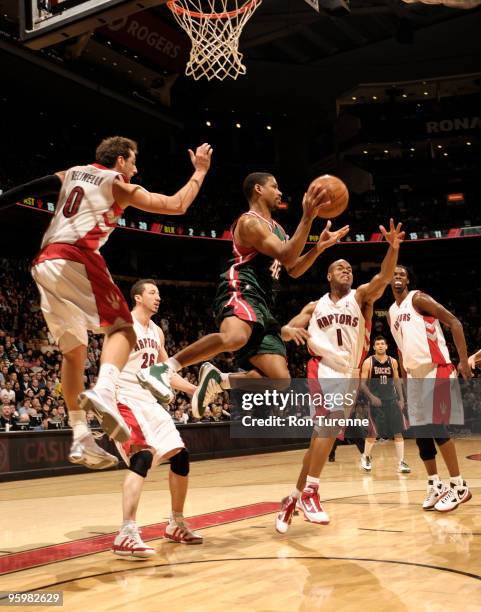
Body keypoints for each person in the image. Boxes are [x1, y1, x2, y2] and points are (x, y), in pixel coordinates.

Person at [0, 136, 212, 469]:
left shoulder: (72, 172)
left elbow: (33, 187)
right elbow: (176, 206)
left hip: (43, 263)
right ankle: (104, 390)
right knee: (123, 328)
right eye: (133, 161)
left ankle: (81, 435)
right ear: (121, 161)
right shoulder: (118, 184)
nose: (136, 167)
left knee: (74, 352)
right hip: (76, 255)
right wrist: (199, 172)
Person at [138, 172, 349, 414]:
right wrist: (308, 217)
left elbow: (293, 268)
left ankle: (220, 380)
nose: (280, 192)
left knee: (281, 380)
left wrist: (319, 248)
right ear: (258, 189)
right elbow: (287, 255)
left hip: (265, 303)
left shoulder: (278, 229)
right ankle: (165, 367)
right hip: (242, 286)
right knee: (235, 337)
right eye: (275, 186)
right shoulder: (249, 223)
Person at [276, 219, 404, 534]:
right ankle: (311, 493)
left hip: (348, 372)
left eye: (349, 267)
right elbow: (286, 328)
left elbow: (384, 277)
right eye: (340, 267)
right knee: (329, 425)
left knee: (320, 441)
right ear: (329, 275)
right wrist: (290, 329)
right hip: (323, 368)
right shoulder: (314, 305)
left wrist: (393, 248)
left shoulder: (360, 298)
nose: (346, 270)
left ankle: (293, 496)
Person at [112, 279, 202, 559]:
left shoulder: (157, 332)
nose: (158, 297)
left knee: (181, 456)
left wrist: (192, 389)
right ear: (137, 298)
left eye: (159, 293)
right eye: (152, 292)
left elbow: (165, 372)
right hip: (124, 398)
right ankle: (126, 532)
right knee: (142, 457)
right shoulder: (123, 325)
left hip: (150, 402)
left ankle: (175, 523)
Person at [388, 265, 472, 512]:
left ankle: (458, 486)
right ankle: (435, 485)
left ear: (409, 280)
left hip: (436, 368)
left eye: (402, 274)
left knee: (436, 426)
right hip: (413, 375)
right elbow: (402, 350)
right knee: (420, 432)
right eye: (393, 274)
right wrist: (404, 386)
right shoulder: (392, 311)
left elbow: (454, 322)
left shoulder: (419, 298)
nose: (397, 277)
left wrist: (464, 359)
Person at [359, 335, 410, 474]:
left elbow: (396, 380)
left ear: (386, 346)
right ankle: (366, 456)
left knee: (397, 431)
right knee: (373, 433)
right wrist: (371, 396)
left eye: (383, 343)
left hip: (391, 400)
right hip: (376, 401)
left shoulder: (392, 361)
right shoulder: (368, 362)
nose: (380, 346)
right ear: (374, 347)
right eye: (378, 344)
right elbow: (362, 384)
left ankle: (401, 462)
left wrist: (401, 399)